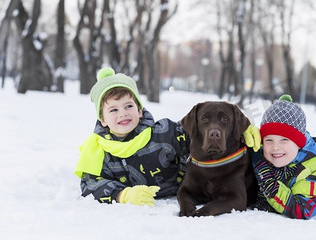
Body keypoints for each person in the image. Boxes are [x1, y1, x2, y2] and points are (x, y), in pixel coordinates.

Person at [74, 68, 261, 207]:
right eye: (113, 109)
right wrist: (122, 195)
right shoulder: (98, 150)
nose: (123, 113)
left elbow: (199, 129)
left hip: (186, 191)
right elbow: (90, 185)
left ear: (139, 110)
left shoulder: (163, 133)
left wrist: (241, 129)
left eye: (129, 106)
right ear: (103, 119)